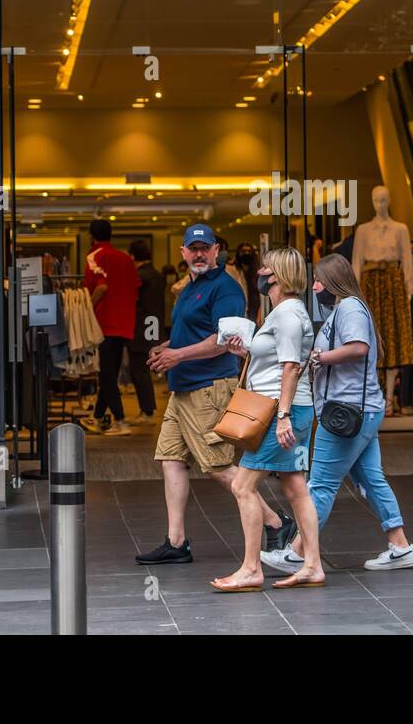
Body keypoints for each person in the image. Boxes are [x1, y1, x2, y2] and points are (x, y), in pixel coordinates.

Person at [137, 223, 287, 564]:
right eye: (194, 248)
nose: (200, 254)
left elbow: (224, 342)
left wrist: (177, 355)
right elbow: (193, 334)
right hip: (183, 388)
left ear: (217, 251)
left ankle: (277, 523)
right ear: (184, 253)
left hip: (209, 387)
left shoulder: (225, 289)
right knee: (171, 459)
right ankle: (176, 542)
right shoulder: (189, 288)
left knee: (218, 467)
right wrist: (166, 348)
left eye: (206, 248)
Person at [262, 254, 413, 574]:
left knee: (320, 485)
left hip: (346, 414)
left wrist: (323, 357)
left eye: (319, 280)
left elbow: (359, 347)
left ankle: (296, 553)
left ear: (335, 281)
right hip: (358, 412)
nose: (315, 286)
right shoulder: (344, 309)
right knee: (371, 479)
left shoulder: (349, 307)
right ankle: (400, 545)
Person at [212, 248, 325, 591]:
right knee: (294, 486)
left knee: (242, 485)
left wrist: (284, 416)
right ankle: (313, 566)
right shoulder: (283, 312)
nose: (259, 272)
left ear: (278, 275)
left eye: (265, 268)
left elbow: (290, 367)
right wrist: (244, 351)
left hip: (279, 409)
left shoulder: (289, 314)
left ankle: (251, 568)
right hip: (286, 407)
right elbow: (278, 359)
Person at [82, 219, 141, 436]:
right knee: (110, 373)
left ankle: (120, 421)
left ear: (91, 236)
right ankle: (97, 418)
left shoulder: (94, 256)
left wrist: (87, 308)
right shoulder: (125, 258)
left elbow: (101, 287)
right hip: (124, 323)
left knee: (106, 376)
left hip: (103, 323)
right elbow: (135, 288)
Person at [127, 238, 165, 425]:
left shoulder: (139, 276)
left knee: (139, 370)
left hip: (140, 327)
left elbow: (133, 302)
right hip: (154, 325)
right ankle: (148, 410)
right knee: (146, 368)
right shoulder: (157, 275)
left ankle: (147, 411)